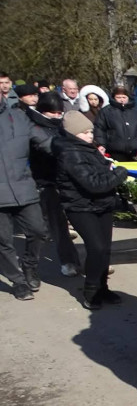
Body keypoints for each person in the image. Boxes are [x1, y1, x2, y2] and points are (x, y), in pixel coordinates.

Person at [52, 111, 128, 310]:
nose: (89, 135)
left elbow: (101, 172)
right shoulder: (70, 153)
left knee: (105, 249)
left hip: (101, 204)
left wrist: (109, 167)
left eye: (90, 131)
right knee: (96, 248)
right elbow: (93, 183)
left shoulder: (87, 148)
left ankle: (103, 287)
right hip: (80, 206)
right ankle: (91, 290)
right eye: (84, 132)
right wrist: (119, 174)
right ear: (73, 134)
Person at [0, 89, 52, 300]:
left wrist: (79, 150)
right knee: (3, 241)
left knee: (38, 231)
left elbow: (46, 142)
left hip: (24, 188)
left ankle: (29, 266)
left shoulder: (19, 117)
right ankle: (18, 281)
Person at [26, 91, 81, 277]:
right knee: (56, 225)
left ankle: (81, 258)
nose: (58, 116)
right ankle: (68, 261)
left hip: (66, 179)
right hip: (46, 182)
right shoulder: (33, 127)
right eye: (53, 113)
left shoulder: (61, 125)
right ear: (43, 111)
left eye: (60, 113)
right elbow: (49, 149)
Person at [93, 85, 137, 162]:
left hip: (135, 152)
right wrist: (101, 144)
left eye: (124, 97)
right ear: (114, 97)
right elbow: (99, 129)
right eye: (119, 97)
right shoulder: (106, 111)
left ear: (128, 97)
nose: (121, 100)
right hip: (115, 151)